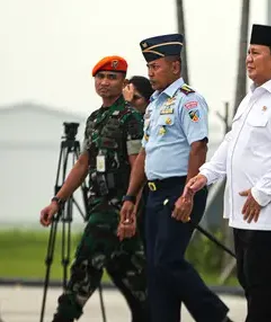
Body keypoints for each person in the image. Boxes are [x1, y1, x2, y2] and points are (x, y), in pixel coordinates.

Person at [184, 24, 271, 322]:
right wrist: (207, 174)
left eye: (256, 53)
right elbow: (232, 144)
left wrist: (262, 192)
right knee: (256, 282)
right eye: (248, 52)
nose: (248, 58)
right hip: (244, 211)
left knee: (261, 286)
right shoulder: (252, 99)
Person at [118, 33, 232, 322]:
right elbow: (145, 153)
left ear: (175, 67)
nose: (150, 74)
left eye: (155, 67)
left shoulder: (189, 101)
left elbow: (199, 146)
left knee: (168, 261)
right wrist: (131, 196)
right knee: (155, 270)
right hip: (155, 193)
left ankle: (216, 317)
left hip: (181, 188)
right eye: (148, 68)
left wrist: (188, 194)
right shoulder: (154, 105)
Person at [39, 56, 148, 322]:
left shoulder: (130, 118)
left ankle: (62, 317)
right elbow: (83, 163)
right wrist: (57, 201)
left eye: (112, 78)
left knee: (84, 266)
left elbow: (138, 166)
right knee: (134, 278)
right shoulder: (95, 119)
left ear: (123, 82)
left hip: (115, 209)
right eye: (100, 78)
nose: (105, 83)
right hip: (98, 204)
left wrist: (130, 209)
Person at [121, 75, 154, 248]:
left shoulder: (146, 121)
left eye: (136, 98)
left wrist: (127, 106)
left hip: (144, 195)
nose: (132, 102)